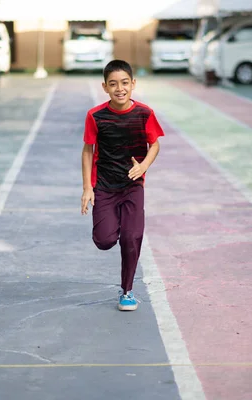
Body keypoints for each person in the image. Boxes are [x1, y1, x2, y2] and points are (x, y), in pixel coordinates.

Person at [81, 59, 164, 311]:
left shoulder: (145, 113)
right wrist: (87, 187)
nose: (120, 88)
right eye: (114, 84)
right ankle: (113, 225)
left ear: (133, 84)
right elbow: (87, 151)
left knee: (132, 236)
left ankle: (126, 291)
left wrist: (143, 166)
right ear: (105, 87)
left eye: (125, 83)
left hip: (132, 186)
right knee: (104, 240)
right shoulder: (95, 116)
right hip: (105, 186)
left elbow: (155, 144)